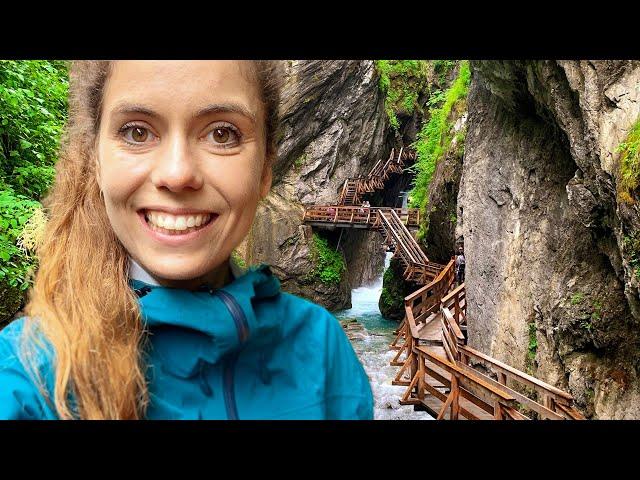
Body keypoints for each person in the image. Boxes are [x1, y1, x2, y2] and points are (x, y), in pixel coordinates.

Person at [0, 61, 373, 420]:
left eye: (221, 133)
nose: (177, 174)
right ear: (96, 160)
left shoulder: (322, 352)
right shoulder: (27, 373)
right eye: (137, 132)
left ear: (265, 168)